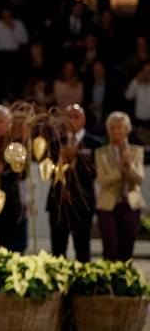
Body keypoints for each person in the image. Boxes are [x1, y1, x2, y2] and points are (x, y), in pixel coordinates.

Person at [47, 105, 101, 261]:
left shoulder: (94, 143)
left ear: (83, 119)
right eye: (68, 116)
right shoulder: (55, 142)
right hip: (58, 202)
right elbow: (48, 172)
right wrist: (61, 161)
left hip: (82, 202)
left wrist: (76, 160)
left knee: (82, 248)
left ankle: (82, 284)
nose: (71, 120)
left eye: (75, 116)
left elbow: (96, 173)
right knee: (57, 250)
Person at [95, 112, 144, 261]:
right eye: (113, 128)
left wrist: (129, 166)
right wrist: (120, 169)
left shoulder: (136, 151)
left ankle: (125, 282)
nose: (117, 131)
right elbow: (103, 180)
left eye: (120, 127)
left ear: (127, 129)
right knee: (110, 250)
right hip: (108, 205)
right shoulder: (101, 152)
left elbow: (139, 178)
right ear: (109, 130)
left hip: (130, 204)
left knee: (127, 250)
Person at [0, 105, 27, 252]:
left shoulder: (16, 145)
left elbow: (22, 173)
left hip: (9, 201)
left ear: (9, 123)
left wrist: (2, 170)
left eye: (0, 121)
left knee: (8, 245)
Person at [124, 61, 150, 145]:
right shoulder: (137, 82)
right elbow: (128, 96)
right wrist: (135, 81)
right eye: (145, 71)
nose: (147, 74)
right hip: (139, 122)